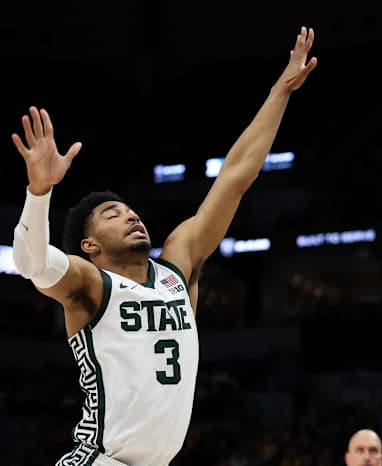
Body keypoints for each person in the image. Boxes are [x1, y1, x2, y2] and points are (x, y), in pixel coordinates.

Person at [11, 26, 317, 466]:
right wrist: (38, 193)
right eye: (112, 215)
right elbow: (32, 263)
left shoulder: (177, 268)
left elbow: (236, 174)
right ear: (89, 245)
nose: (131, 215)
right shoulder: (89, 284)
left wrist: (280, 92)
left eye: (130, 210)